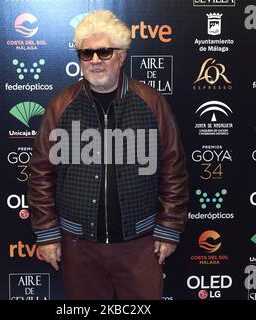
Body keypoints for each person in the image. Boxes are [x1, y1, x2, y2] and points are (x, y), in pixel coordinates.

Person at [27, 9, 188, 300]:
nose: (95, 61)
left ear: (122, 55)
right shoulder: (61, 106)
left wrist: (169, 227)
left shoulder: (151, 103)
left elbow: (172, 168)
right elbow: (41, 173)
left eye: (104, 52)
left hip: (139, 247)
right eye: (86, 54)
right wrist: (48, 233)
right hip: (79, 248)